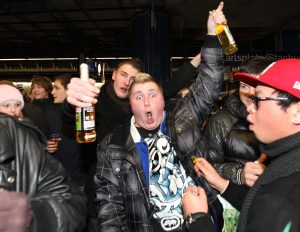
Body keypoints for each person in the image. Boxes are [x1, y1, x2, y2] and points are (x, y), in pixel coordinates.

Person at [92, 2, 227, 231]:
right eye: (138, 97)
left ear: (163, 99)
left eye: (152, 94)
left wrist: (213, 35)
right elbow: (110, 209)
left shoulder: (184, 117)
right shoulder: (112, 146)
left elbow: (210, 83)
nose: (146, 102)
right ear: (130, 105)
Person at [66, 27, 201, 232]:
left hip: (138, 200)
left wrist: (199, 58)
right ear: (113, 76)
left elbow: (172, 85)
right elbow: (72, 122)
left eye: (132, 78)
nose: (127, 81)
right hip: (104, 194)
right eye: (123, 74)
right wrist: (71, 106)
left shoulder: (139, 104)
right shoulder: (96, 100)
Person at [188, 58, 300, 232]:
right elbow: (257, 204)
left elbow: (269, 205)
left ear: (297, 113)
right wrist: (223, 183)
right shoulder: (285, 162)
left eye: (258, 99)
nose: (249, 107)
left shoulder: (283, 198)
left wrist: (197, 219)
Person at [0, 112, 87, 231]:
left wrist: (33, 219)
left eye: (16, 104)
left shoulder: (17, 133)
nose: (13, 109)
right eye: (7, 105)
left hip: (78, 174)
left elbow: (71, 201)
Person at [51, 74, 89, 190]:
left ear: (70, 91)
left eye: (57, 88)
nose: (52, 92)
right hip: (56, 179)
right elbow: (41, 139)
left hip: (79, 178)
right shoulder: (48, 112)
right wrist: (45, 145)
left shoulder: (83, 112)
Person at [23, 75, 61, 154]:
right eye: (33, 88)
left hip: (53, 151)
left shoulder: (56, 107)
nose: (35, 90)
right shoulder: (26, 107)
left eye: (39, 87)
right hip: (32, 150)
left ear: (47, 90)